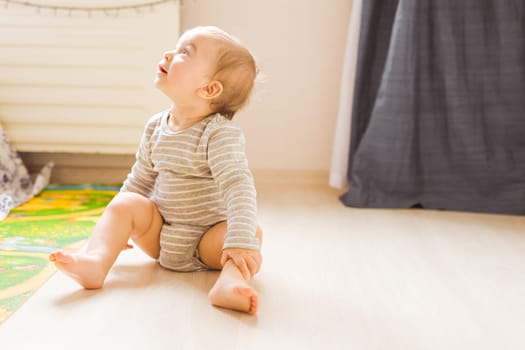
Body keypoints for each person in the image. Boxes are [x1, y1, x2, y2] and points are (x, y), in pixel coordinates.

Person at [49, 26, 263, 315]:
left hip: (208, 241)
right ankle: (95, 262)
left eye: (185, 52)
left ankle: (229, 283)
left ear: (209, 88)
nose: (169, 54)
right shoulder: (155, 126)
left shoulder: (219, 134)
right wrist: (118, 229)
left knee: (253, 232)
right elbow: (140, 179)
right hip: (161, 236)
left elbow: (238, 185)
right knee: (125, 202)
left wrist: (240, 240)